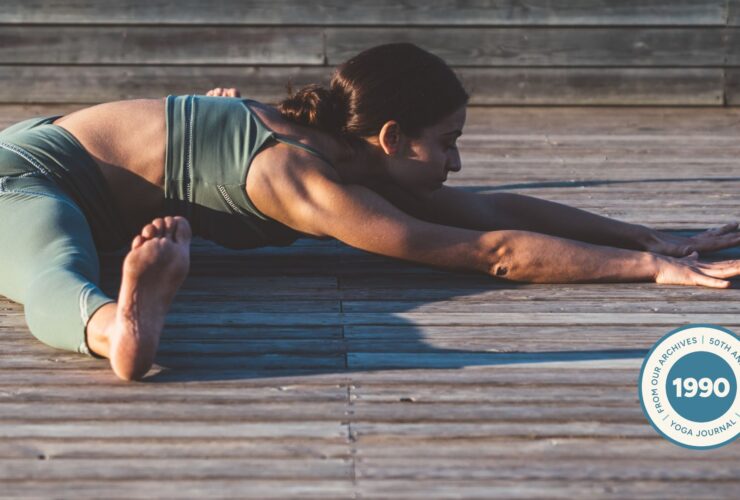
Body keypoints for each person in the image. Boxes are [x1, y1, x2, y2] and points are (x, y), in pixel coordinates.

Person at [0, 43, 738, 382]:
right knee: (50, 265)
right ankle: (117, 331)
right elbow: (494, 251)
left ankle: (120, 304)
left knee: (68, 244)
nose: (455, 164)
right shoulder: (304, 180)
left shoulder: (331, 146)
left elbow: (487, 208)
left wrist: (653, 235)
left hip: (83, 177)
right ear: (390, 137)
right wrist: (650, 271)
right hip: (20, 178)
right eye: (447, 144)